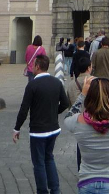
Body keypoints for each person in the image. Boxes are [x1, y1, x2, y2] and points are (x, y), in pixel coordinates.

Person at [14, 54, 70, 194]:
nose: (32, 67)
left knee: (39, 162)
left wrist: (17, 128)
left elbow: (24, 109)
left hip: (38, 131)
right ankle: (55, 189)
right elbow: (65, 103)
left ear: (38, 66)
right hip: (53, 128)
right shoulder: (56, 83)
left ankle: (42, 191)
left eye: (34, 65)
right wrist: (54, 112)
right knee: (49, 158)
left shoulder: (32, 85)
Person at [66, 55, 93, 171]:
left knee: (80, 145)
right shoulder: (95, 81)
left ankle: (81, 169)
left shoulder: (71, 84)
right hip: (93, 118)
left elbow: (69, 104)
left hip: (78, 119)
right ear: (89, 68)